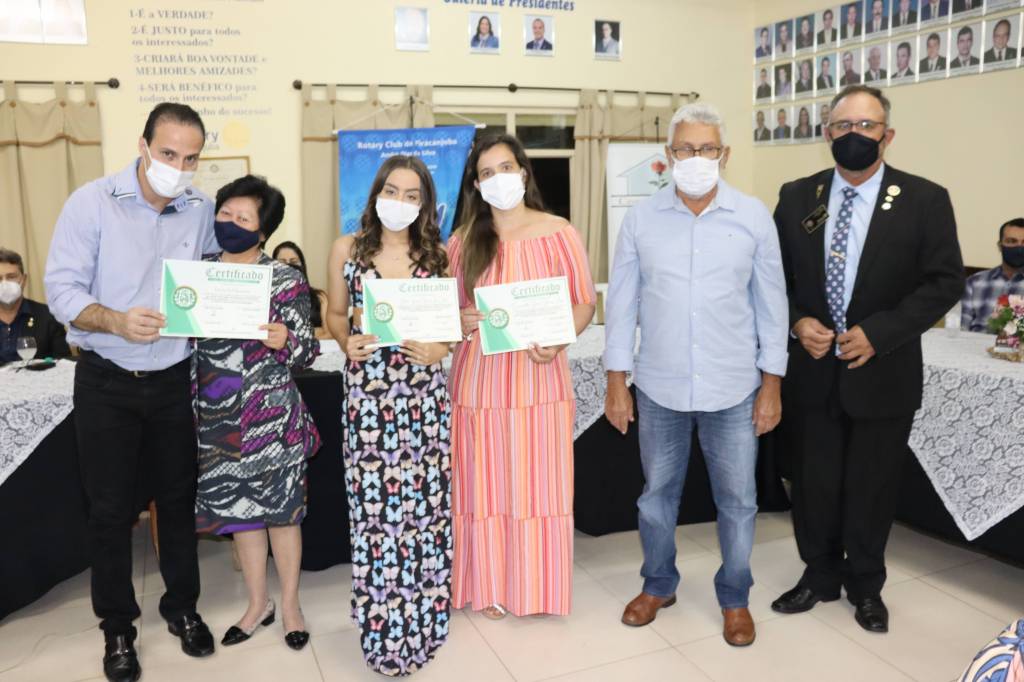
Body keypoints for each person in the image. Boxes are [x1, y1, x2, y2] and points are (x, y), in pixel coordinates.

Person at [771, 85, 964, 634]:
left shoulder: (925, 199)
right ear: (826, 133)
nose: (853, 135)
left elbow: (944, 281)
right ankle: (818, 575)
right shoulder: (797, 196)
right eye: (842, 125)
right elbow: (771, 277)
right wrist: (796, 321)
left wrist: (879, 333)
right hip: (812, 369)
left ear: (887, 134)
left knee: (872, 486)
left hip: (883, 370)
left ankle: (866, 585)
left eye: (866, 125)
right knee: (813, 484)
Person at [44, 102, 218, 682]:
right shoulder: (91, 203)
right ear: (142, 147)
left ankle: (182, 608)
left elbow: (211, 281)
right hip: (106, 379)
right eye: (168, 154)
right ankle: (118, 626)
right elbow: (61, 290)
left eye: (190, 158)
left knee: (178, 501)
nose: (179, 167)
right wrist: (116, 320)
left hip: (173, 379)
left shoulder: (199, 209)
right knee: (110, 511)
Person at [605, 102, 788, 646]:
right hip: (659, 386)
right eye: (685, 148)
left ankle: (734, 596)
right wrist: (616, 382)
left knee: (738, 501)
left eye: (707, 148)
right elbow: (622, 304)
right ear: (668, 155)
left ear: (724, 154)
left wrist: (772, 385)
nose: (696, 157)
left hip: (734, 388)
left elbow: (772, 307)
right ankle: (658, 584)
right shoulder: (641, 220)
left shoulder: (753, 216)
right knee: (656, 497)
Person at [448, 133, 595, 620]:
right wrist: (459, 320)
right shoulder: (462, 242)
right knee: (484, 488)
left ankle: (535, 589)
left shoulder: (559, 232)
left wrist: (560, 338)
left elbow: (584, 302)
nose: (498, 179)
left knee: (538, 487)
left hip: (540, 381)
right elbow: (447, 312)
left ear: (524, 173)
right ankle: (488, 586)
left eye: (505, 168)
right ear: (476, 185)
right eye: (486, 173)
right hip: (480, 386)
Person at [325, 155, 453, 675]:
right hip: (370, 404)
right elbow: (335, 314)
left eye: (411, 195)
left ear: (425, 204)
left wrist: (441, 348)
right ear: (376, 193)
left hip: (424, 403)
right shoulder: (347, 250)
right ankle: (381, 626)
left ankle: (426, 621)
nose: (399, 202)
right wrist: (346, 340)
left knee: (424, 514)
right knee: (376, 519)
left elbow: (449, 326)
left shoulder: (438, 255)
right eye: (392, 191)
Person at [194, 175, 320, 652]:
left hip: (271, 418)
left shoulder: (284, 278)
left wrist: (286, 340)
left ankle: (290, 605)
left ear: (262, 231)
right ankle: (256, 603)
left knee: (282, 515)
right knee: (241, 515)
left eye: (243, 218)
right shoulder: (198, 273)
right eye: (225, 213)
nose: (230, 223)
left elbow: (307, 351)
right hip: (216, 418)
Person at [0, 247, 69, 364]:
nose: (4, 284)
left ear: (24, 279)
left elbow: (64, 363)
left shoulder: (48, 316)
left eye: (11, 277)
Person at [960, 218, 1024, 332]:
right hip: (974, 342)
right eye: (1011, 241)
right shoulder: (974, 283)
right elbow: (961, 328)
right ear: (1000, 246)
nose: (1019, 247)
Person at [272, 241, 329, 339]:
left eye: (294, 262)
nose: (289, 266)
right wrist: (314, 332)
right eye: (282, 262)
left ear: (303, 265)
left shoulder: (320, 297)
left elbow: (330, 334)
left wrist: (289, 336)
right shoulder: (267, 299)